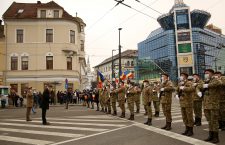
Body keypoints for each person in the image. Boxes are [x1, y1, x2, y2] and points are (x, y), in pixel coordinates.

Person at [198, 69, 221, 143]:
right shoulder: (205, 80)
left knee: (214, 121)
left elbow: (219, 83)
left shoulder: (215, 79)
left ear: (212, 73)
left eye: (207, 73)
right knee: (209, 121)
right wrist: (199, 91)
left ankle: (216, 137)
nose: (206, 74)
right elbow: (199, 86)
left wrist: (208, 85)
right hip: (206, 105)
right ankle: (210, 135)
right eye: (205, 73)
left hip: (213, 104)